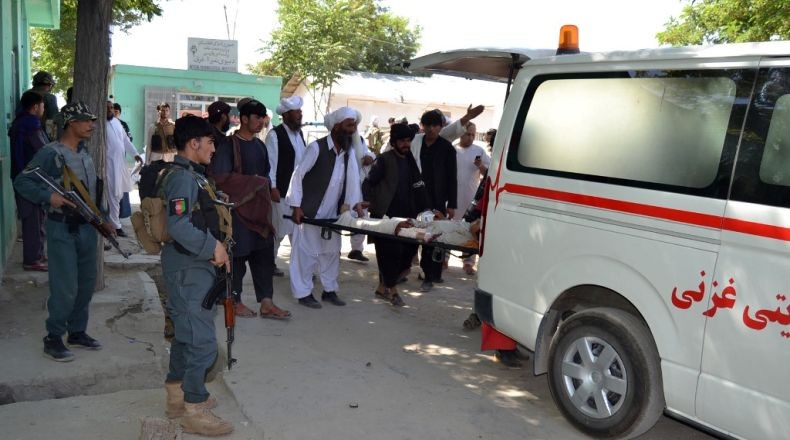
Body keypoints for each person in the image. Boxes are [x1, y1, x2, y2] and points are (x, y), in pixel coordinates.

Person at [14, 101, 111, 362]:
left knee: (86, 284)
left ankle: (77, 332)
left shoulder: (84, 153)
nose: (91, 125)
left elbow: (92, 191)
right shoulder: (50, 153)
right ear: (70, 123)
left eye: (92, 120)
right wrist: (50, 197)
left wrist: (104, 218)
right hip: (62, 229)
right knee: (65, 287)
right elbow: (23, 181)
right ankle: (53, 336)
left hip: (87, 227)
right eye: (86, 120)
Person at [160, 115, 234, 436]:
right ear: (194, 143)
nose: (214, 149)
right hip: (187, 267)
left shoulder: (193, 175)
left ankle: (176, 396)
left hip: (194, 265)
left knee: (185, 335)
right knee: (202, 343)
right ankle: (194, 407)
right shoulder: (182, 179)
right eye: (210, 142)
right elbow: (178, 226)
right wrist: (212, 247)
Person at [211, 99, 286, 319]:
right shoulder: (228, 145)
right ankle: (234, 302)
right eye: (257, 117)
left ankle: (267, 303)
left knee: (264, 256)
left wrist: (263, 186)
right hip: (237, 213)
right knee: (236, 258)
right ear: (244, 119)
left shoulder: (260, 146)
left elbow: (265, 176)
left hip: (258, 213)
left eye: (263, 117)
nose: (261, 121)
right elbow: (220, 178)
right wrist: (254, 182)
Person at [286, 106, 366, 309]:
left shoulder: (348, 152)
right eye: (349, 125)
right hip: (310, 211)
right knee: (305, 254)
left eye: (354, 126)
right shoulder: (316, 148)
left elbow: (353, 180)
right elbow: (297, 176)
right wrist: (296, 206)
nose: (352, 130)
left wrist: (356, 204)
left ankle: (329, 290)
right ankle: (303, 293)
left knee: (331, 253)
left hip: (333, 213)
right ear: (336, 126)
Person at [411, 105, 484, 290]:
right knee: (413, 232)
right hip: (416, 196)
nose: (431, 129)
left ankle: (430, 276)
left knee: (433, 235)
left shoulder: (446, 148)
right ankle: (414, 270)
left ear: (440, 127)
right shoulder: (416, 142)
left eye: (435, 125)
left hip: (437, 199)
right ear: (423, 126)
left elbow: (452, 178)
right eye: (428, 125)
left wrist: (451, 204)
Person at [362, 123, 428, 306]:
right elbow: (368, 183)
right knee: (389, 254)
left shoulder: (410, 160)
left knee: (407, 257)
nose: (406, 144)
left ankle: (382, 287)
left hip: (407, 217)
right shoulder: (384, 160)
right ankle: (392, 291)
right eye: (402, 141)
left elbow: (419, 186)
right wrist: (367, 201)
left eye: (408, 140)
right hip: (386, 217)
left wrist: (427, 209)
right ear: (394, 142)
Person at [264, 96, 307, 277]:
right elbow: (270, 164)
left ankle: (302, 268)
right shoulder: (275, 135)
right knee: (278, 231)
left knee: (299, 233)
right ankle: (268, 264)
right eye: (296, 112)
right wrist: (272, 187)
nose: (300, 114)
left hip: (298, 193)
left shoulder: (300, 134)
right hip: (280, 192)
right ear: (287, 115)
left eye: (300, 111)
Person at [9, 91, 50, 271]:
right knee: (33, 220)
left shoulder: (19, 122)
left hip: (23, 177)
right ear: (35, 107)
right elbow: (43, 150)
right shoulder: (31, 124)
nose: (43, 109)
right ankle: (32, 259)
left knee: (36, 218)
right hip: (29, 179)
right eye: (42, 106)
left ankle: (37, 254)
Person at [454, 122, 490, 274]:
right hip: (452, 198)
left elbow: (489, 174)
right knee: (449, 227)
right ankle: (443, 260)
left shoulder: (479, 151)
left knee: (470, 230)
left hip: (471, 198)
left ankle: (468, 262)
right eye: (467, 134)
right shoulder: (453, 149)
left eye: (473, 135)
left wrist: (480, 166)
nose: (470, 137)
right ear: (461, 133)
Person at [106, 101, 142, 237]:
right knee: (113, 195)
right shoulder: (99, 124)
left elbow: (126, 140)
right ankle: (116, 226)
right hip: (108, 165)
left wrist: (135, 154)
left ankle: (114, 223)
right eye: (107, 108)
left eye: (111, 108)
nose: (110, 110)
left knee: (119, 194)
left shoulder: (116, 122)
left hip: (120, 163)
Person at [348, 113, 375, 262]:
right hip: (342, 185)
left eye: (354, 125)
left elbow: (366, 153)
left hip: (360, 185)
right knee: (339, 216)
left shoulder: (360, 140)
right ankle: (333, 250)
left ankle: (356, 250)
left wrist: (370, 157)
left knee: (361, 215)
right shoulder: (337, 140)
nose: (352, 128)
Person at [19, 71, 59, 140]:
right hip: (41, 136)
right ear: (49, 84)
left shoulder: (26, 95)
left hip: (22, 134)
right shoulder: (50, 97)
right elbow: (53, 119)